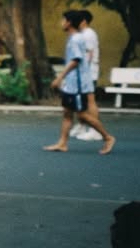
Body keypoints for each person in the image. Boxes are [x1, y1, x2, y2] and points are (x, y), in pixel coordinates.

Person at [44, 9, 115, 155]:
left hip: (78, 83)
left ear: (69, 23)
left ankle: (108, 137)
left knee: (82, 115)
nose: (61, 23)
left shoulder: (76, 39)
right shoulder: (74, 38)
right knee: (67, 113)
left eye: (63, 20)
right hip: (72, 83)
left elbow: (76, 60)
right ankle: (62, 143)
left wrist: (60, 77)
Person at [70, 10, 103, 141]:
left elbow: (89, 55)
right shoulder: (83, 34)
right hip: (85, 72)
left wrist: (82, 72)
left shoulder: (88, 34)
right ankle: (82, 126)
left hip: (89, 72)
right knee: (82, 101)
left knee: (90, 101)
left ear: (83, 21)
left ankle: (95, 131)